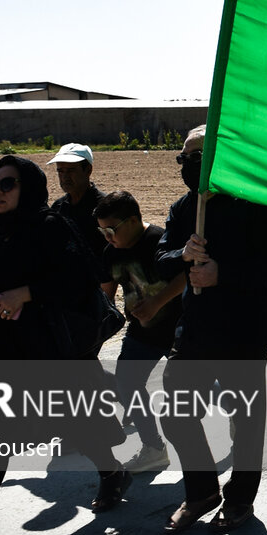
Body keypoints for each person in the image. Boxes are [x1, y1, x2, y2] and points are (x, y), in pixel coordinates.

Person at [0, 156, 128, 535]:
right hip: (5, 350)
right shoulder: (3, 232)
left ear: (30, 188)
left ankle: (112, 473)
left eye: (8, 183)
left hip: (49, 353)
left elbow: (81, 278)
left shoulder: (49, 226)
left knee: (79, 424)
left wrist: (24, 294)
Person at [155, 126, 267, 534]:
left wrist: (222, 274)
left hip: (243, 329)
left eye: (198, 156)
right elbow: (161, 257)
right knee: (175, 411)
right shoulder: (183, 209)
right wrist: (183, 253)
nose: (189, 165)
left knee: (244, 419)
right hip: (195, 327)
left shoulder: (252, 204)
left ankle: (240, 499)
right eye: (184, 158)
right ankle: (201, 491)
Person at [94, 190, 185, 472]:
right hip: (141, 332)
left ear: (133, 220)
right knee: (127, 382)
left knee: (197, 387)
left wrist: (157, 302)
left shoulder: (161, 241)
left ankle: (232, 403)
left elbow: (185, 276)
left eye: (111, 229)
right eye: (102, 231)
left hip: (178, 330)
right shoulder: (111, 253)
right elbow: (106, 293)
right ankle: (153, 448)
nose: (107, 237)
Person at [48, 143, 106, 258]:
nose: (65, 177)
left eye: (70, 171)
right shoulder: (58, 207)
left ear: (88, 170)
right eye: (60, 171)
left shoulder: (105, 207)